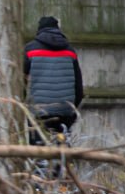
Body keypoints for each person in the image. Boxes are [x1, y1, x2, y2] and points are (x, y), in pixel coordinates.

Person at [24, 16, 82, 177]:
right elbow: (78, 86)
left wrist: (25, 105)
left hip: (39, 109)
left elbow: (21, 80)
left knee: (38, 146)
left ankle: (39, 180)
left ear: (39, 29)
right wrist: (72, 109)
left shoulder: (30, 49)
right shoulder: (70, 51)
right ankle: (59, 180)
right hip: (65, 108)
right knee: (61, 146)